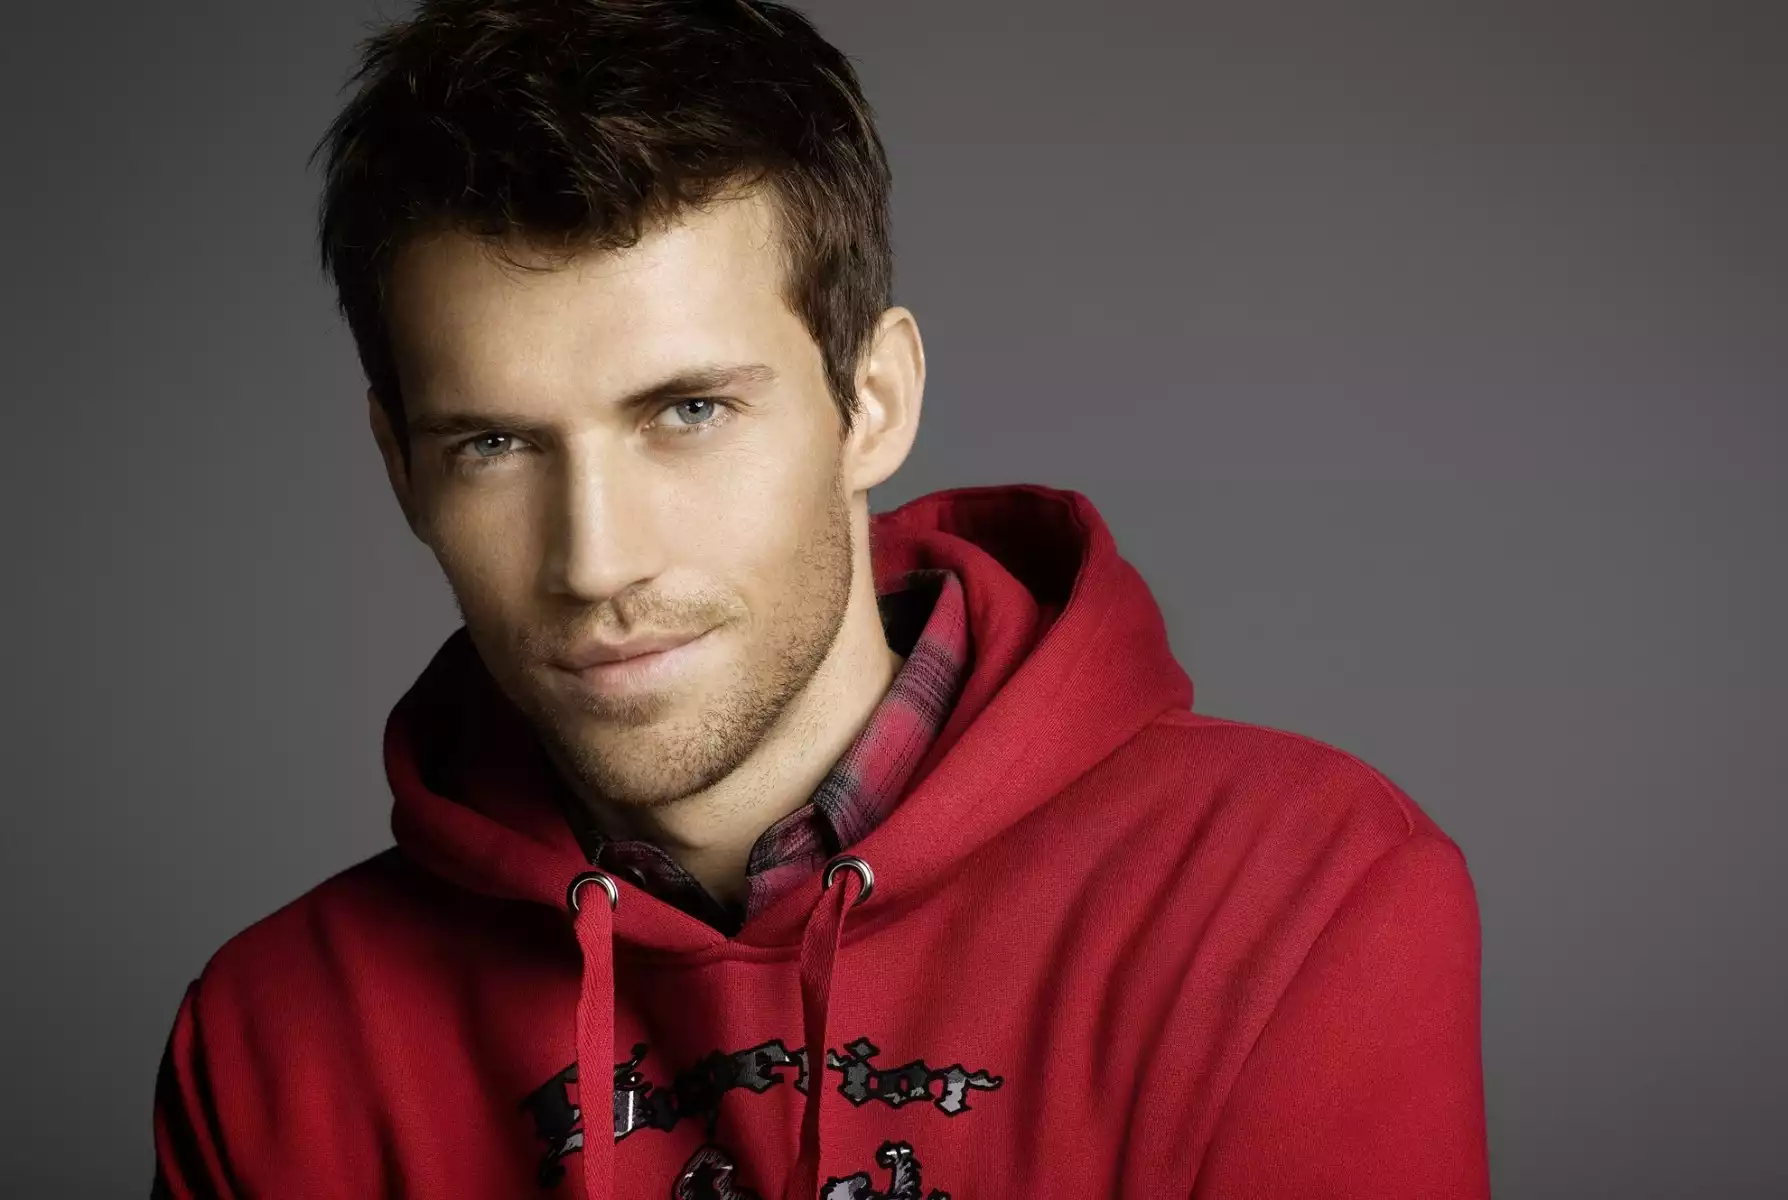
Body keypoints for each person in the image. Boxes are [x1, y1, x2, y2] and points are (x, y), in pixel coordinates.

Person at [150, 2, 1488, 1197]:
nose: (596, 561)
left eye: (690, 411)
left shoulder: (1292, 900)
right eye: (494, 444)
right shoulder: (277, 1042)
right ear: (400, 469)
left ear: (875, 404)